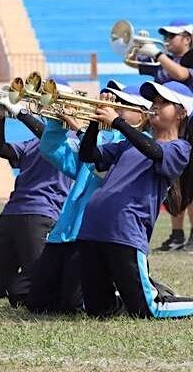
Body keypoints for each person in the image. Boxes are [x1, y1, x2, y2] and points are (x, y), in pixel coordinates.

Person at [26, 81, 152, 314]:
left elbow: (103, 169)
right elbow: (53, 150)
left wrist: (85, 127)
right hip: (65, 232)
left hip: (93, 234)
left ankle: (129, 292)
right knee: (37, 303)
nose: (115, 106)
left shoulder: (134, 148)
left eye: (124, 103)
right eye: (115, 101)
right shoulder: (98, 140)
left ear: (143, 115)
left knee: (74, 305)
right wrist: (57, 121)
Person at [78, 81, 193, 318]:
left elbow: (154, 151)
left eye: (164, 103)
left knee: (148, 310)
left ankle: (148, 295)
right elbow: (88, 154)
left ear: (181, 113)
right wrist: (93, 123)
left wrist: (118, 123)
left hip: (125, 232)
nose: (155, 107)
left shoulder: (180, 148)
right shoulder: (128, 145)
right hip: (92, 230)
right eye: (154, 102)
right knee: (99, 311)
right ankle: (133, 294)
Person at [0, 97, 71, 302]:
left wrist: (22, 113)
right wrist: (0, 118)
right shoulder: (34, 141)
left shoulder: (70, 139)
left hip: (42, 213)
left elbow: (50, 139)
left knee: (39, 285)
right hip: (11, 213)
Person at [138, 21, 193, 250]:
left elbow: (181, 74)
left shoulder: (187, 59)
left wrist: (158, 53)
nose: (168, 40)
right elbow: (139, 68)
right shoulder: (164, 63)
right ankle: (177, 234)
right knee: (174, 179)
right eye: (166, 37)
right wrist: (138, 51)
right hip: (168, 126)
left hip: (189, 123)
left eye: (173, 36)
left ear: (188, 38)